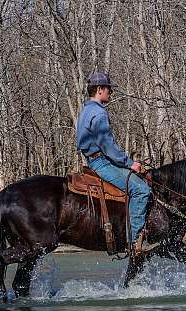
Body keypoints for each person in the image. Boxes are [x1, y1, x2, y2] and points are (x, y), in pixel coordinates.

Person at [76, 71, 155, 253]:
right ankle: (134, 241)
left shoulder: (86, 110)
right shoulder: (99, 113)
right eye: (108, 89)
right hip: (101, 162)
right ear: (100, 90)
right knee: (141, 190)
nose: (110, 92)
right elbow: (108, 146)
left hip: (92, 160)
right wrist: (130, 163)